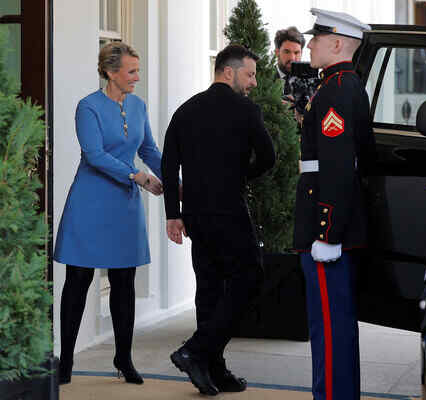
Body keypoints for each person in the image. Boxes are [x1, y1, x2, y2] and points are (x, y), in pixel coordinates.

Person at [161, 44, 275, 396]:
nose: (254, 82)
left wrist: (173, 215)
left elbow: (168, 165)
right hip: (228, 209)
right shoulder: (245, 110)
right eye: (250, 74)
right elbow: (269, 157)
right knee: (249, 278)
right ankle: (196, 350)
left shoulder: (186, 110)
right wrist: (241, 175)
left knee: (208, 289)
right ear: (229, 71)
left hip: (194, 214)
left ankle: (212, 367)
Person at [54, 42, 164, 386]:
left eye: (137, 70)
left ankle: (124, 358)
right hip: (90, 203)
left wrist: (177, 180)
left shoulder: (138, 105)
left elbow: (148, 149)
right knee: (78, 282)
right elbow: (94, 154)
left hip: (124, 206)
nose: (137, 77)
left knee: (123, 284)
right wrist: (137, 176)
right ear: (110, 72)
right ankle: (66, 360)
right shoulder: (88, 107)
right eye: (131, 71)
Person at [295, 8, 375, 400]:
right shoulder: (338, 86)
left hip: (328, 229)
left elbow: (339, 167)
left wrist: (327, 232)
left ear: (338, 43)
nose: (310, 44)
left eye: (317, 38)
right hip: (331, 223)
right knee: (330, 324)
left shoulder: (338, 89)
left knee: (330, 326)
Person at [274, 26, 305, 96]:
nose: (292, 58)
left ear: (301, 53)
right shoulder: (263, 78)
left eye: (296, 53)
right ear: (277, 52)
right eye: (287, 52)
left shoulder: (309, 82)